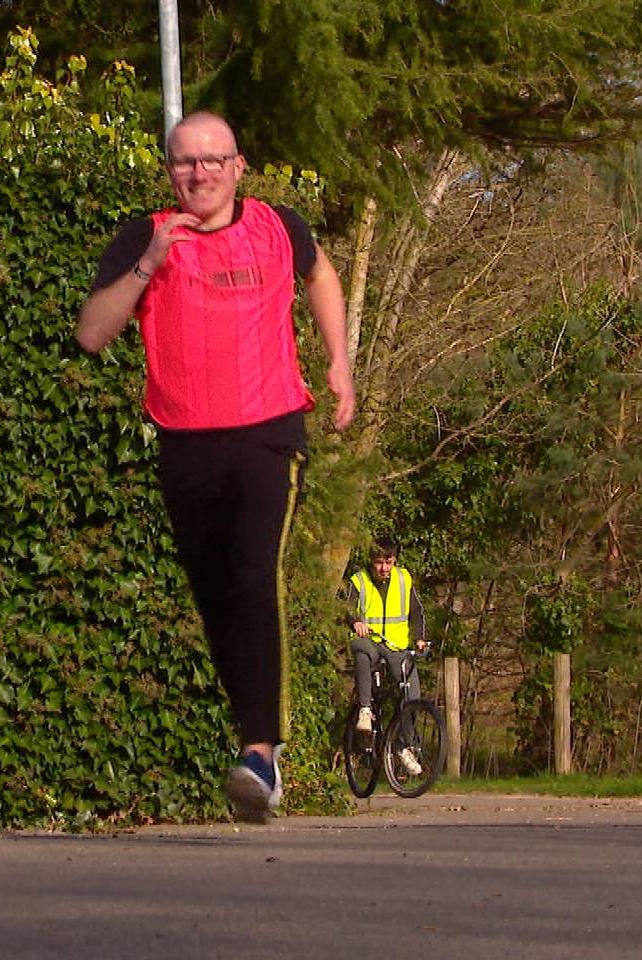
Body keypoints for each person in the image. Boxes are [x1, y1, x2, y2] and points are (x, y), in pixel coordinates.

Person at [76, 111, 356, 823]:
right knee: (217, 598)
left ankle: (261, 754)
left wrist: (339, 361)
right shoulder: (144, 237)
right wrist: (148, 265)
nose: (198, 174)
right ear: (170, 170)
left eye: (212, 160)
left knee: (254, 573)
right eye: (184, 162)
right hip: (186, 443)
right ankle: (253, 743)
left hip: (269, 432)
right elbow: (92, 335)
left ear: (238, 167)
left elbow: (321, 273)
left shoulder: (278, 226)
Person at [346, 537, 428, 773]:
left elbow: (416, 611)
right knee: (362, 653)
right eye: (379, 562)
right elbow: (346, 608)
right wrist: (355, 622)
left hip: (395, 646)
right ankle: (365, 709)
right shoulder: (359, 581)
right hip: (370, 641)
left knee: (411, 694)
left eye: (388, 562)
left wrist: (419, 637)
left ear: (395, 561)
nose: (384, 568)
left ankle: (404, 746)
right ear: (372, 561)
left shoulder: (404, 579)